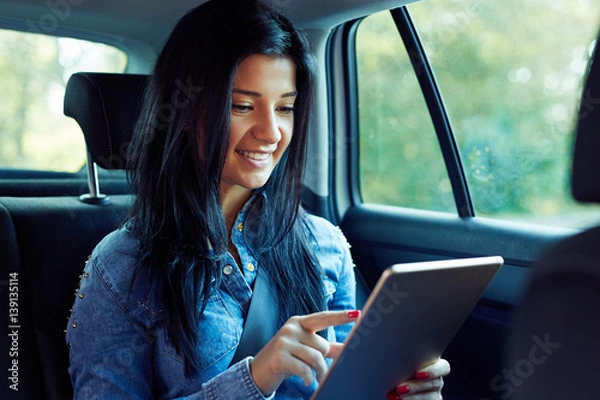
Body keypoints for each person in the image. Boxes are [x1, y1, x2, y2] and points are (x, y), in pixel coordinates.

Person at [65, 0, 450, 399]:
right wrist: (255, 377)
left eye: (285, 107)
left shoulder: (325, 245)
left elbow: (347, 388)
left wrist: (400, 391)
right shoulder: (121, 267)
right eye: (243, 106)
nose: (271, 132)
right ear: (182, 110)